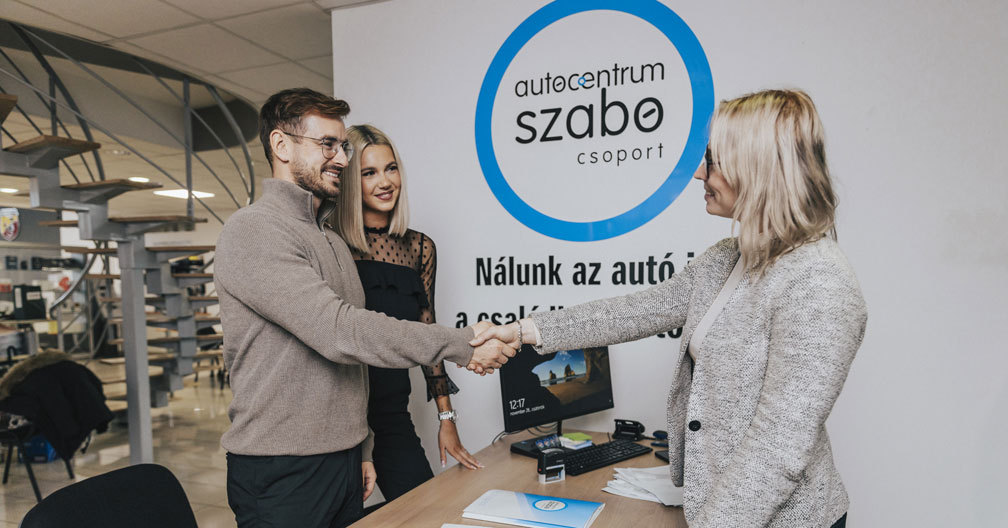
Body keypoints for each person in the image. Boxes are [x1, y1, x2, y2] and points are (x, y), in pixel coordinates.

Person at [471, 89, 866, 528]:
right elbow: (636, 311)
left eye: (713, 161)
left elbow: (777, 448)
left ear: (757, 168)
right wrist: (522, 331)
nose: (699, 173)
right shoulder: (728, 258)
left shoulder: (820, 282)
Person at [214, 88, 514, 528]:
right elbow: (341, 331)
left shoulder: (330, 240)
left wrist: (363, 446)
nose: (340, 158)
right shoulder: (254, 230)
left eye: (343, 147)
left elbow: (352, 367)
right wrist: (464, 343)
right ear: (281, 145)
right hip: (282, 469)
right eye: (327, 145)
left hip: (343, 461)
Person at [332, 124, 481, 507]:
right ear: (350, 182)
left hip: (391, 414)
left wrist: (447, 420)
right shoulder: (331, 244)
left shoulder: (419, 248)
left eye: (391, 168)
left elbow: (426, 335)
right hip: (339, 419)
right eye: (369, 172)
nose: (385, 182)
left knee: (424, 512)